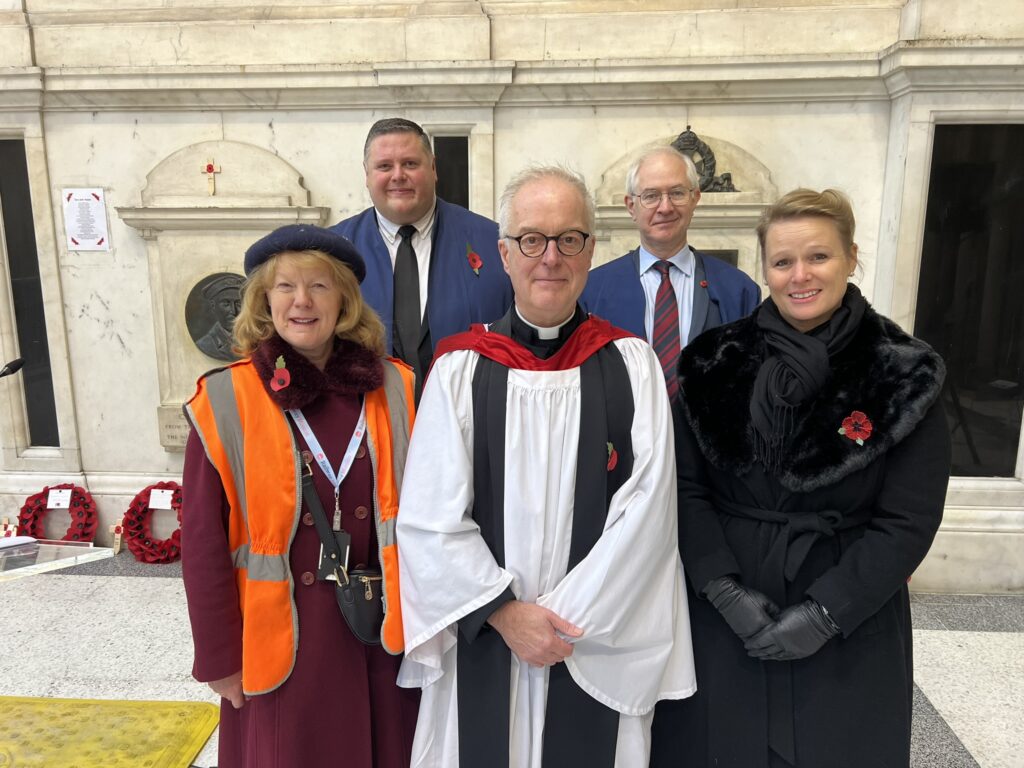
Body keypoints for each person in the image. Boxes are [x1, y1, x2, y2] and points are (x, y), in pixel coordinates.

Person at [396, 166, 696, 768]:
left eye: (569, 239)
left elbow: (650, 509)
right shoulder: (460, 370)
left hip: (594, 637)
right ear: (504, 254)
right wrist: (505, 615)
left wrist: (564, 622)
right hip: (486, 633)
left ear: (590, 250)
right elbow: (428, 517)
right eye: (532, 239)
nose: (550, 258)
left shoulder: (631, 364)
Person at [667, 188, 951, 767]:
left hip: (850, 616)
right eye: (783, 261)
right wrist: (721, 589)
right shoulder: (713, 361)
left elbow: (909, 519)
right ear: (764, 267)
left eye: (818, 257)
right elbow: (685, 487)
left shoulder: (904, 371)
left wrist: (827, 613)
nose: (800, 275)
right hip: (728, 611)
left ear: (851, 255)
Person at [181, 224, 419, 768]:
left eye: (319, 286)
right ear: (265, 299)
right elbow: (201, 544)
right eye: (286, 286)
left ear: (345, 300)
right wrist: (219, 658)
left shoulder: (396, 386)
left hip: (381, 634)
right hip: (282, 642)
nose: (302, 302)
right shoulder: (225, 398)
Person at [331, 117, 512, 396]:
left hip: (471, 419)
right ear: (366, 175)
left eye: (410, 163)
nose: (398, 175)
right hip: (366, 422)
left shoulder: (496, 244)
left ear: (434, 168)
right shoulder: (331, 254)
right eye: (384, 166)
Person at [581, 145, 760, 402]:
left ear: (695, 199)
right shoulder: (591, 291)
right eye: (651, 196)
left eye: (677, 193)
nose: (665, 208)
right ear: (631, 206)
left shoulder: (739, 290)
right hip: (623, 440)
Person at [195, 273, 243, 360]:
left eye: (238, 303)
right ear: (213, 306)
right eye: (226, 303)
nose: (233, 310)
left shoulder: (256, 340)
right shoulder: (206, 344)